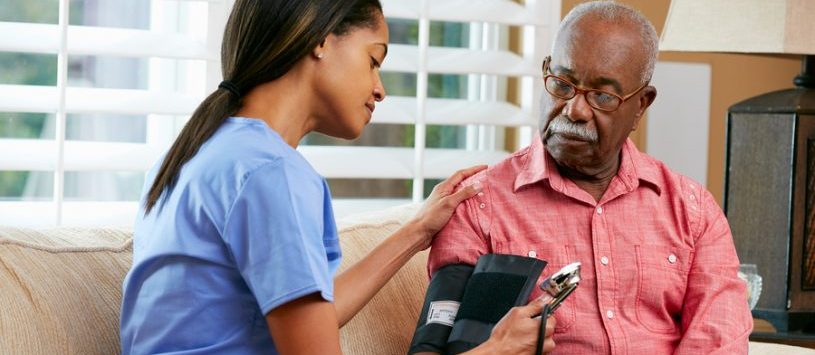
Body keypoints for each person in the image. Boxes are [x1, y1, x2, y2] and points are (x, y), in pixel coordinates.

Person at [119, 1, 555, 354]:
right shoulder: (273, 176)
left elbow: (307, 318)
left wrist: (418, 231)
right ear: (321, 41)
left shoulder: (196, 155)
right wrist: (494, 350)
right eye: (373, 60)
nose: (380, 88)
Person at [424, 1, 753, 354]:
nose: (574, 110)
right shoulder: (479, 205)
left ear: (641, 104)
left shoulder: (692, 210)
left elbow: (720, 340)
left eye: (601, 96)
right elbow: (437, 346)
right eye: (562, 84)